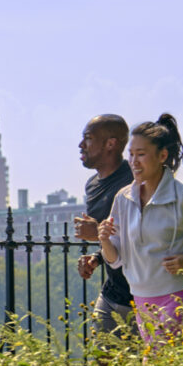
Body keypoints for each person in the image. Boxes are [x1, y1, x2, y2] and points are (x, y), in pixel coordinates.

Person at [97, 114, 183, 344]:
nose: (133, 161)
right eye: (130, 154)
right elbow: (115, 260)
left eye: (141, 154)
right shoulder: (124, 198)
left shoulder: (182, 197)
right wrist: (104, 241)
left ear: (162, 156)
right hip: (140, 299)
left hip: (177, 298)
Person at [72, 115, 134, 341]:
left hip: (142, 294)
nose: (81, 145)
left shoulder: (133, 181)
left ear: (111, 143)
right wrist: (97, 258)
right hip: (112, 293)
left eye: (88, 139)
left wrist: (97, 231)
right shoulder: (92, 185)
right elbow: (113, 242)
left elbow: (142, 233)